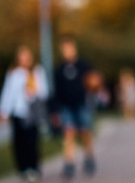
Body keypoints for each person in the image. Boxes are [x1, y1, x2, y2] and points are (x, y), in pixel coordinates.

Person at [0, 45, 49, 182]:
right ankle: (23, 169)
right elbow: (7, 93)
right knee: (19, 142)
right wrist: (4, 111)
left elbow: (44, 92)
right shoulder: (13, 73)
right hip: (18, 112)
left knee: (32, 142)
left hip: (32, 113)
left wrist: (34, 92)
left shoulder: (37, 71)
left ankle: (33, 168)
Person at [53, 36, 96, 180]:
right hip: (66, 106)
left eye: (69, 47)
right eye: (64, 48)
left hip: (82, 104)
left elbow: (93, 80)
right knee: (69, 133)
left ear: (74, 48)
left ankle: (89, 158)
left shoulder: (83, 65)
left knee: (85, 132)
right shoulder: (59, 69)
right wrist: (55, 111)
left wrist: (95, 85)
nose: (67, 51)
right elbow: (56, 91)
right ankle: (69, 164)